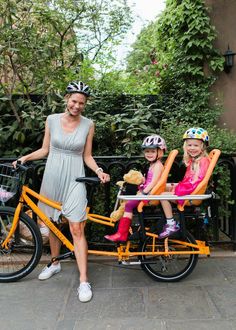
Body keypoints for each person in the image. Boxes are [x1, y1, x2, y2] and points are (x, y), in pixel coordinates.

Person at [13, 81, 110, 303]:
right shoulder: (52, 120)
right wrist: (26, 157)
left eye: (81, 103)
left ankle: (84, 280)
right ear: (67, 99)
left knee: (76, 226)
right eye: (74, 101)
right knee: (52, 224)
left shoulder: (88, 124)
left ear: (85, 105)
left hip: (75, 178)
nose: (77, 106)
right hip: (52, 177)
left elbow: (87, 156)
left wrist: (99, 170)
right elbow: (46, 149)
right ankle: (55, 263)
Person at [104, 134, 166, 242]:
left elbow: (155, 182)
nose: (149, 154)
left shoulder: (158, 165)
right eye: (147, 151)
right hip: (148, 194)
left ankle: (121, 234)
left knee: (128, 205)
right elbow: (150, 181)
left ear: (160, 152)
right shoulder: (153, 164)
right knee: (127, 202)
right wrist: (143, 181)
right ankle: (123, 232)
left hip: (150, 196)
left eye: (152, 151)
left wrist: (144, 192)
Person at [158, 127, 210, 239]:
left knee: (162, 196)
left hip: (192, 194)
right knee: (163, 186)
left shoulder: (203, 161)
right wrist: (174, 186)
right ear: (185, 146)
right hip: (190, 190)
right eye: (189, 145)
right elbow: (189, 181)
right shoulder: (194, 160)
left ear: (203, 147)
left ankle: (171, 223)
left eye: (195, 145)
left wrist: (177, 189)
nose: (192, 148)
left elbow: (196, 181)